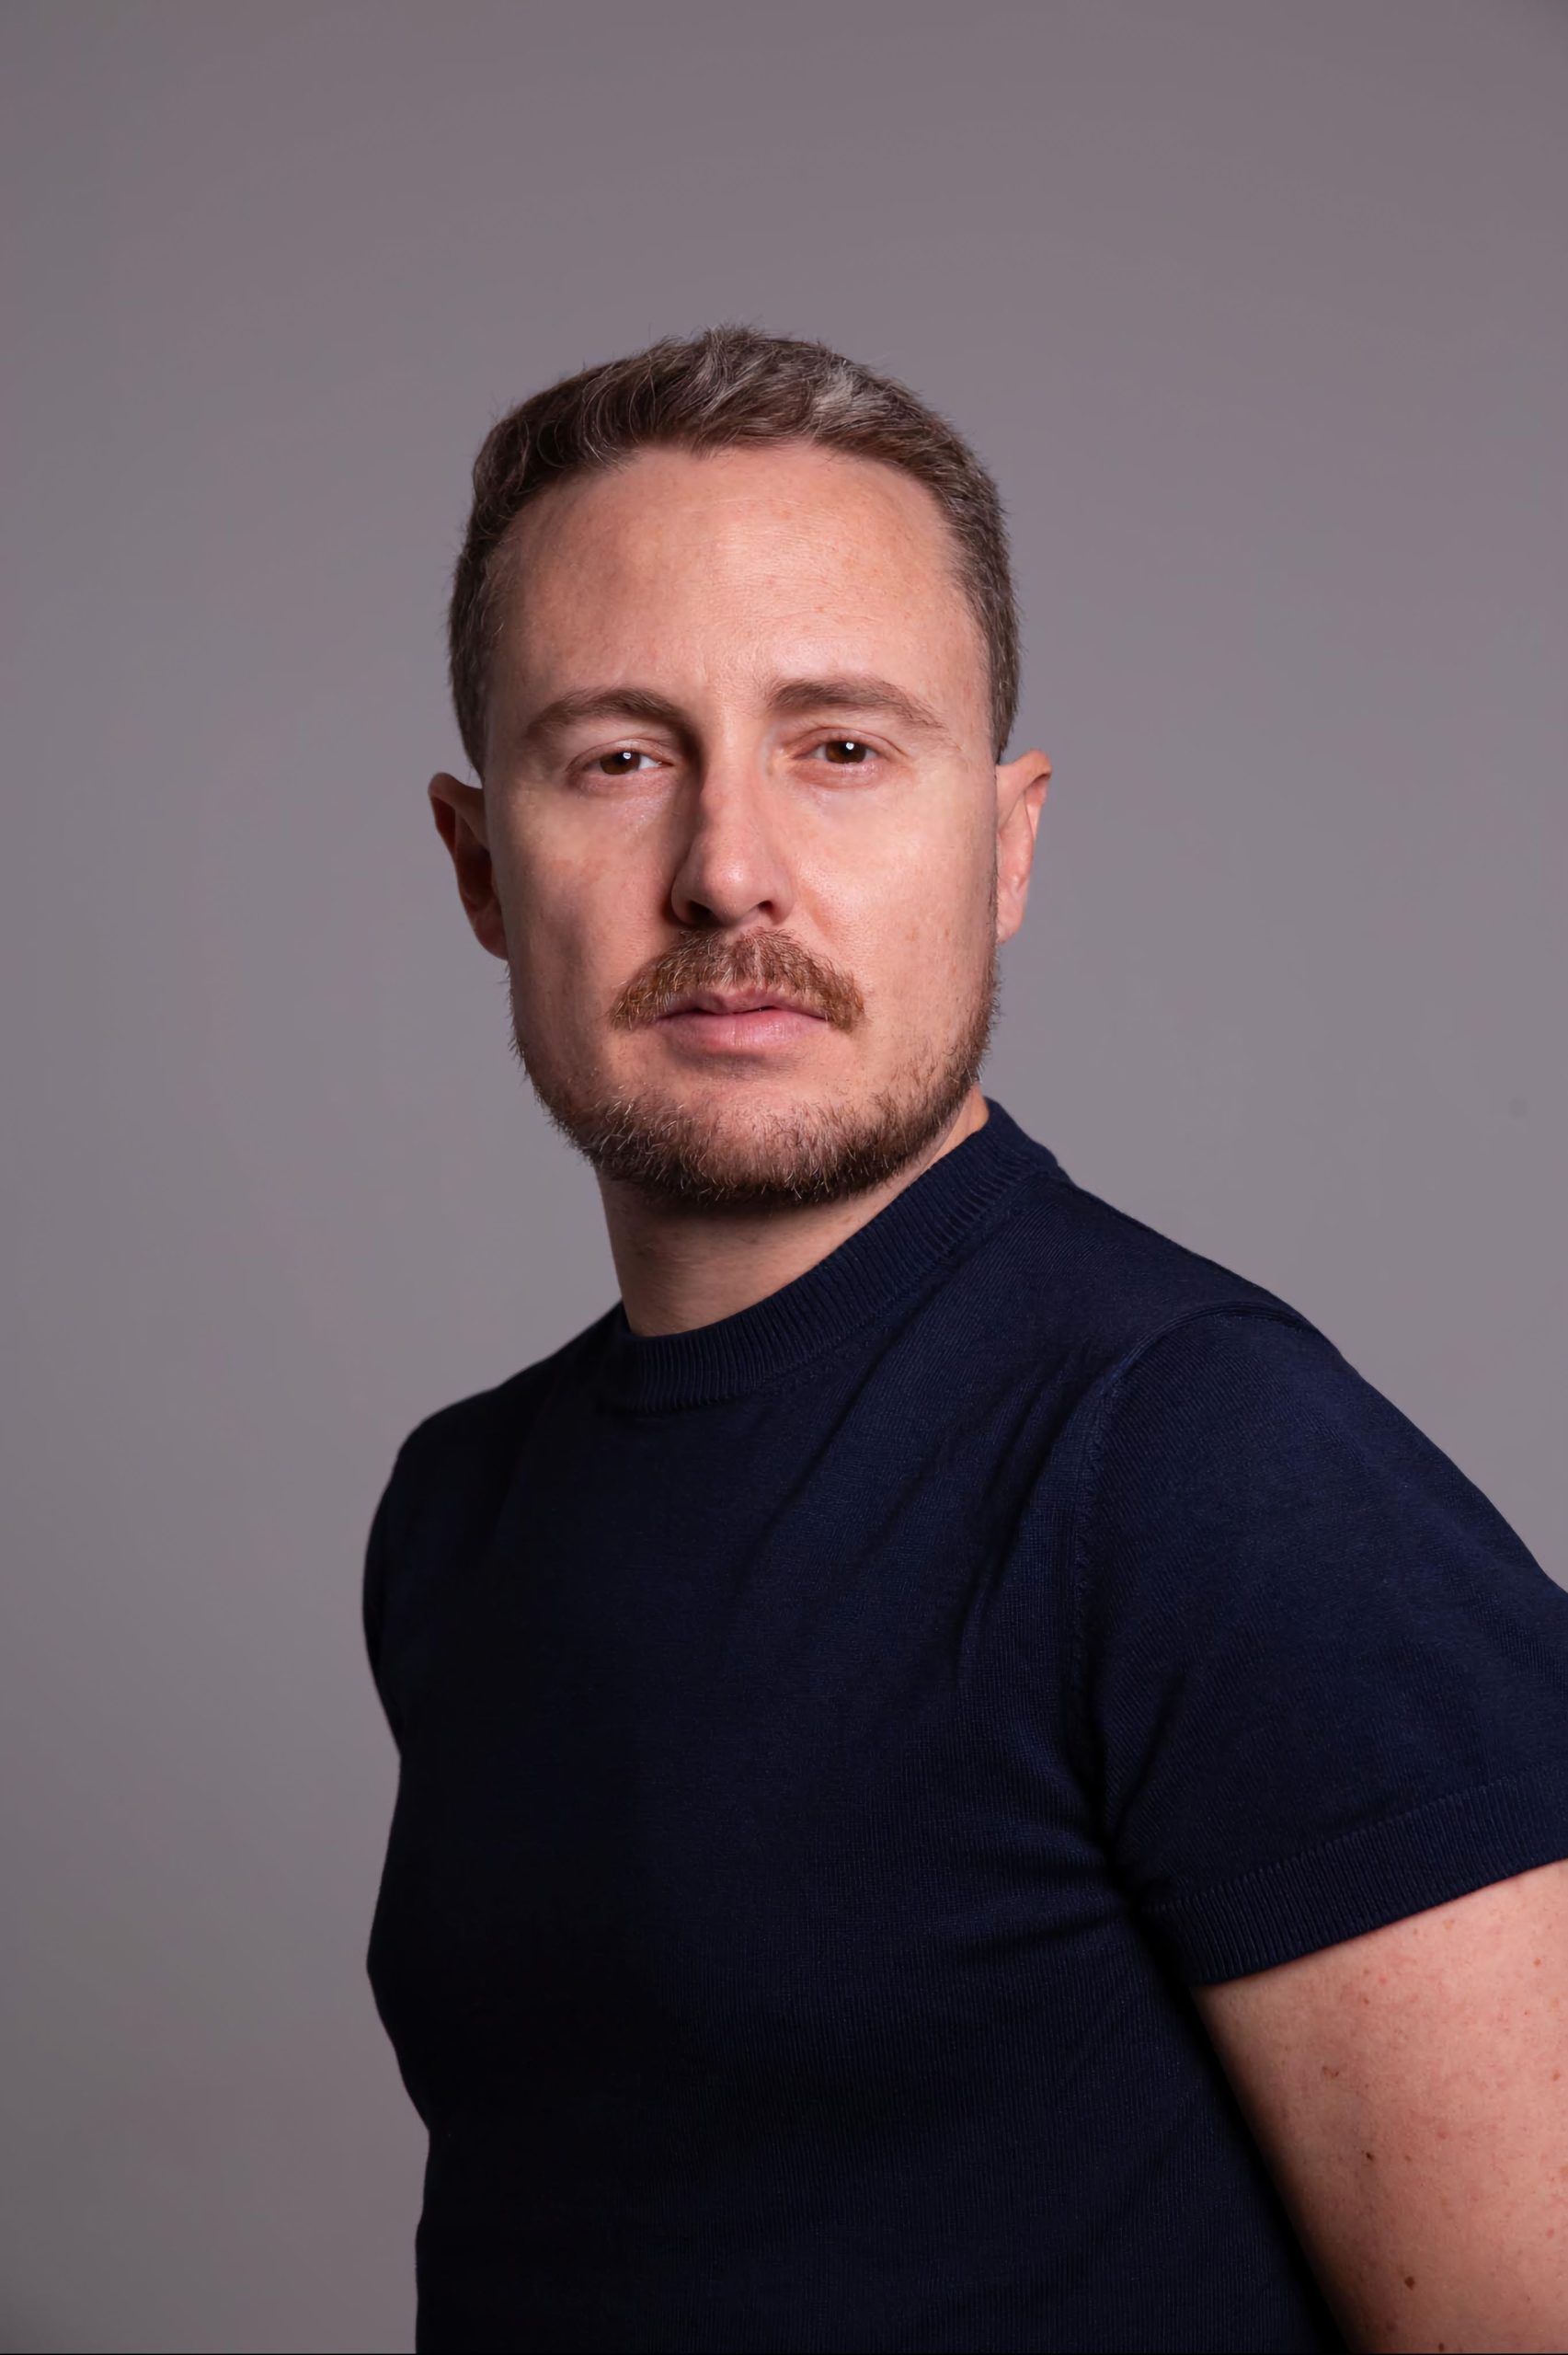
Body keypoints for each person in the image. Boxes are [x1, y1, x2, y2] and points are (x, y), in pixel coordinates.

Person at [361, 324, 1568, 2355]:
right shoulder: (461, 1511)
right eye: (620, 757)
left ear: (1004, 844)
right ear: (482, 864)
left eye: (840, 746)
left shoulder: (1209, 1466)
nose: (727, 870)